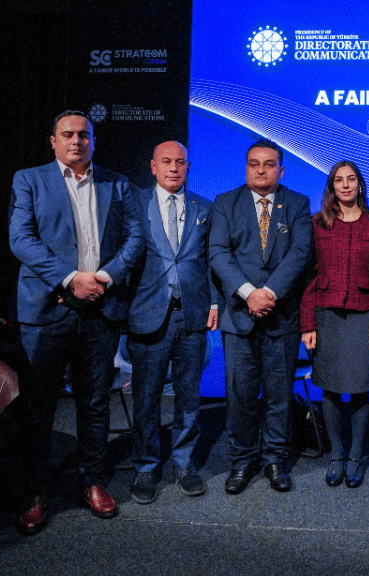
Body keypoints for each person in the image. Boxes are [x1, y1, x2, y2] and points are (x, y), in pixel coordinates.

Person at [9, 111, 143, 533]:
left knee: (95, 402)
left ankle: (92, 481)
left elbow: (135, 238)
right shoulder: (29, 180)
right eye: (67, 134)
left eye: (84, 134)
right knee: (38, 407)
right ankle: (35, 490)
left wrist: (103, 278)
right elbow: (21, 239)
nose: (76, 141)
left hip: (101, 308)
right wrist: (71, 279)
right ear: (53, 141)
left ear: (93, 140)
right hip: (47, 310)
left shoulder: (118, 183)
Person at [208, 138, 312, 494]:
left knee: (279, 395)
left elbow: (300, 253)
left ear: (281, 170)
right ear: (246, 168)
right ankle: (241, 461)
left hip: (281, 316)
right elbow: (218, 253)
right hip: (239, 316)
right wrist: (248, 293)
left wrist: (269, 293)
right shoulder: (226, 203)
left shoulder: (297, 203)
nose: (261, 170)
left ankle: (274, 460)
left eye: (269, 164)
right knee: (240, 394)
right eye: (254, 163)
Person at [126, 141, 219, 504]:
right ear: (153, 166)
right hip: (148, 314)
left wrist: (214, 301)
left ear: (188, 166)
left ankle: (183, 463)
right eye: (166, 161)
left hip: (192, 315)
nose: (174, 168)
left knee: (189, 397)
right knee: (146, 398)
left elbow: (211, 261)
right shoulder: (134, 203)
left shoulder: (203, 207)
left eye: (180, 162)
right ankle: (145, 467)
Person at [300, 161, 369, 488]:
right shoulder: (317, 224)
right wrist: (307, 323)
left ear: (360, 185)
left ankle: (356, 455)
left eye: (351, 179)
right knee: (330, 385)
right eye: (339, 180)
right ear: (332, 187)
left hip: (364, 316)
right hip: (326, 316)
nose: (346, 185)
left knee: (361, 385)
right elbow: (307, 277)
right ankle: (336, 453)